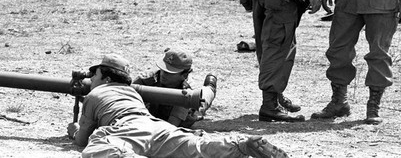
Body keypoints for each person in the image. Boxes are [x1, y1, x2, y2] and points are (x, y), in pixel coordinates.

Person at [67, 53, 289, 158]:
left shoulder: (97, 93)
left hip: (127, 128)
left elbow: (81, 140)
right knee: (195, 147)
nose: (90, 79)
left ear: (106, 79)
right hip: (156, 126)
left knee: (97, 147)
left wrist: (75, 130)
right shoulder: (135, 88)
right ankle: (239, 144)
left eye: (93, 75)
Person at [132, 48, 217, 128]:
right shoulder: (145, 80)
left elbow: (171, 127)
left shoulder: (187, 93)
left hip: (176, 119)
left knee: (203, 100)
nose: (163, 75)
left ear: (184, 75)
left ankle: (210, 87)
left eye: (169, 73)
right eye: (163, 69)